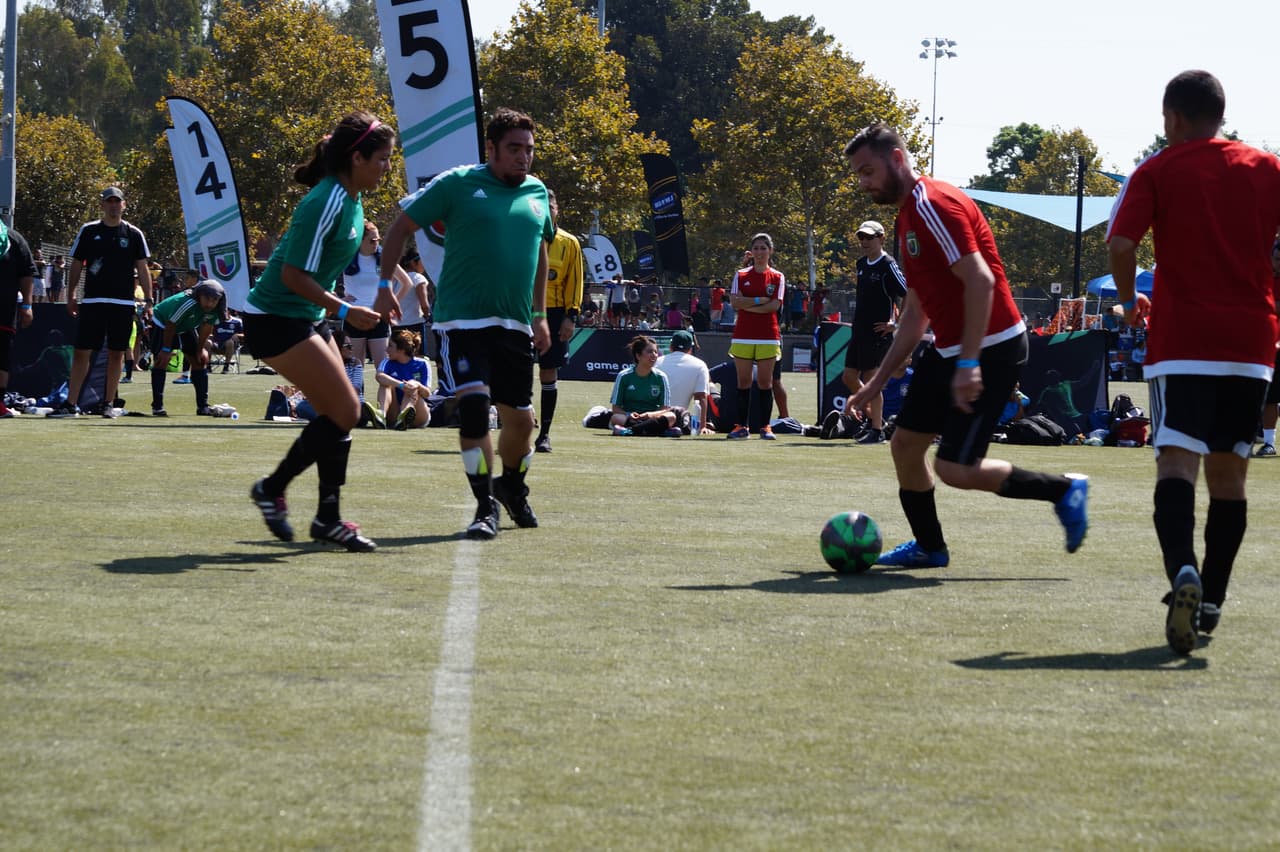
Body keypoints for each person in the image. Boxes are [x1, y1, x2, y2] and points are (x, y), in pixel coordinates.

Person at [844, 123, 1089, 571]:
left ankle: (1063, 489)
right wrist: (874, 384)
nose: (864, 183)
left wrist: (971, 361)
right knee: (905, 446)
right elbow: (916, 312)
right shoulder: (907, 218)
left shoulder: (933, 204)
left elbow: (981, 280)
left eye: (868, 171)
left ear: (897, 160)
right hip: (953, 349)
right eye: (859, 174)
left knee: (956, 469)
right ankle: (929, 548)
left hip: (992, 347)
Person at [1107, 70, 1280, 654]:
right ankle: (1213, 599)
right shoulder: (1267, 168)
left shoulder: (1157, 169)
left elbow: (1121, 245)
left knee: (1176, 464)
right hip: (1251, 341)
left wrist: (1131, 302)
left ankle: (1182, 569)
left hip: (1182, 339)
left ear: (1173, 118)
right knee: (1230, 476)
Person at [379, 106, 553, 540]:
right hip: (462, 321)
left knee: (522, 424)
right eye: (514, 148)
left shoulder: (536, 193)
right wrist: (384, 285)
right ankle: (483, 507)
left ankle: (511, 485)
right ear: (491, 148)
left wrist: (540, 314)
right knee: (475, 408)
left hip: (514, 326)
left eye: (528, 150)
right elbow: (399, 228)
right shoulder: (457, 184)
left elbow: (540, 252)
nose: (523, 157)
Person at [242, 110, 397, 553]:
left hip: (304, 316)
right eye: (383, 158)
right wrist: (345, 309)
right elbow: (292, 275)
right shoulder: (326, 200)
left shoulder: (351, 199)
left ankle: (326, 516)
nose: (388, 166)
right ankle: (276, 489)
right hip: (274, 318)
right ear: (357, 157)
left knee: (341, 412)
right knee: (347, 410)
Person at [50, 186, 152, 417]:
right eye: (109, 202)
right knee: (82, 351)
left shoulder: (133, 234)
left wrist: (148, 299)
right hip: (93, 301)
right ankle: (70, 404)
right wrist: (72, 293)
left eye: (118, 202)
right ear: (102, 205)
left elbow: (142, 268)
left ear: (124, 205)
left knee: (117, 352)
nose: (114, 205)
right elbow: (76, 263)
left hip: (123, 303)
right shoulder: (89, 231)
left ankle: (108, 403)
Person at [840, 220, 906, 444]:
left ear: (881, 238)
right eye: (862, 238)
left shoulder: (887, 264)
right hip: (859, 331)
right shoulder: (861, 264)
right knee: (849, 376)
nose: (865, 242)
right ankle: (874, 417)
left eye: (869, 237)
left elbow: (906, 293)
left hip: (877, 333)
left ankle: (876, 429)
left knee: (871, 380)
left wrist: (895, 323)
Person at [534, 187, 584, 454]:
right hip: (523, 311)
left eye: (550, 208)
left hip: (554, 313)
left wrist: (570, 316)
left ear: (557, 211)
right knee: (512, 371)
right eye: (541, 208)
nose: (545, 212)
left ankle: (544, 434)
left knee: (547, 372)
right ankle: (517, 424)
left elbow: (575, 282)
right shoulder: (523, 236)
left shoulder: (569, 243)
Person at [727, 232, 785, 439]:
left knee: (765, 382)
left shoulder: (777, 277)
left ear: (770, 251)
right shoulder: (741, 275)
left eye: (763, 248)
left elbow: (774, 306)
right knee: (743, 382)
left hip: (768, 336)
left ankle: (765, 427)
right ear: (751, 252)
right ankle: (741, 427)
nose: (760, 252)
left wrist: (750, 303)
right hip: (743, 335)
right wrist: (761, 301)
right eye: (756, 248)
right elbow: (735, 302)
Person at [148, 279, 225, 416]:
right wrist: (166, 349)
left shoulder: (216, 309)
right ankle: (157, 406)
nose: (210, 304)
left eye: (214, 300)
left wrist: (200, 349)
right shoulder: (186, 303)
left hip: (185, 326)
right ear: (199, 295)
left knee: (199, 362)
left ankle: (203, 406)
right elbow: (171, 325)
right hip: (163, 323)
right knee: (161, 362)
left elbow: (207, 327)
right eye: (207, 299)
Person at [341, 220, 409, 372]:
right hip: (354, 316)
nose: (375, 244)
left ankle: (389, 396)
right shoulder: (347, 257)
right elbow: (326, 278)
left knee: (383, 367)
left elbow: (406, 283)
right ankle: (358, 397)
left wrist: (391, 302)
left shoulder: (383, 257)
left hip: (378, 316)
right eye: (372, 240)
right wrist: (340, 300)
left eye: (378, 240)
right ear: (360, 240)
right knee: (355, 367)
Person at [0, 222, 38, 418]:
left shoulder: (13, 239)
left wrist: (27, 305)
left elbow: (27, 273)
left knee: (2, 357)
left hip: (4, 310)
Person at [609, 335, 681, 436]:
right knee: (616, 417)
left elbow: (665, 408)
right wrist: (629, 414)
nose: (654, 355)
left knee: (671, 416)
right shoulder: (624, 376)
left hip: (652, 418)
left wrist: (650, 415)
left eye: (655, 352)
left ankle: (630, 431)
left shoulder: (661, 377)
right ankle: (657, 431)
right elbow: (615, 408)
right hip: (631, 418)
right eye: (649, 352)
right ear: (638, 356)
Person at [656, 329, 713, 434]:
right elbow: (701, 398)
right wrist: (702, 427)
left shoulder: (656, 362)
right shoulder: (700, 365)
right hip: (678, 420)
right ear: (690, 349)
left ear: (671, 346)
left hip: (652, 417)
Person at [374, 327, 431, 430]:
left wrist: (416, 385)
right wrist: (401, 385)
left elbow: (427, 394)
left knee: (413, 385)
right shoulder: (387, 362)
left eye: (390, 346)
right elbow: (379, 376)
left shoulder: (422, 364)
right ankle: (381, 415)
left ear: (401, 349)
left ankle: (404, 416)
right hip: (394, 413)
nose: (386, 350)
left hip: (419, 414)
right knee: (385, 383)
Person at [1255, 236, 1280, 457]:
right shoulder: (1262, 277)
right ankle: (1269, 441)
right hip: (1268, 346)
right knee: (1270, 397)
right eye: (1277, 259)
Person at [393, 246, 431, 343]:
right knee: (418, 356)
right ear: (413, 262)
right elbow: (424, 305)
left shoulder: (397, 278)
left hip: (395, 325)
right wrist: (427, 316)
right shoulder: (418, 278)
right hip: (414, 325)